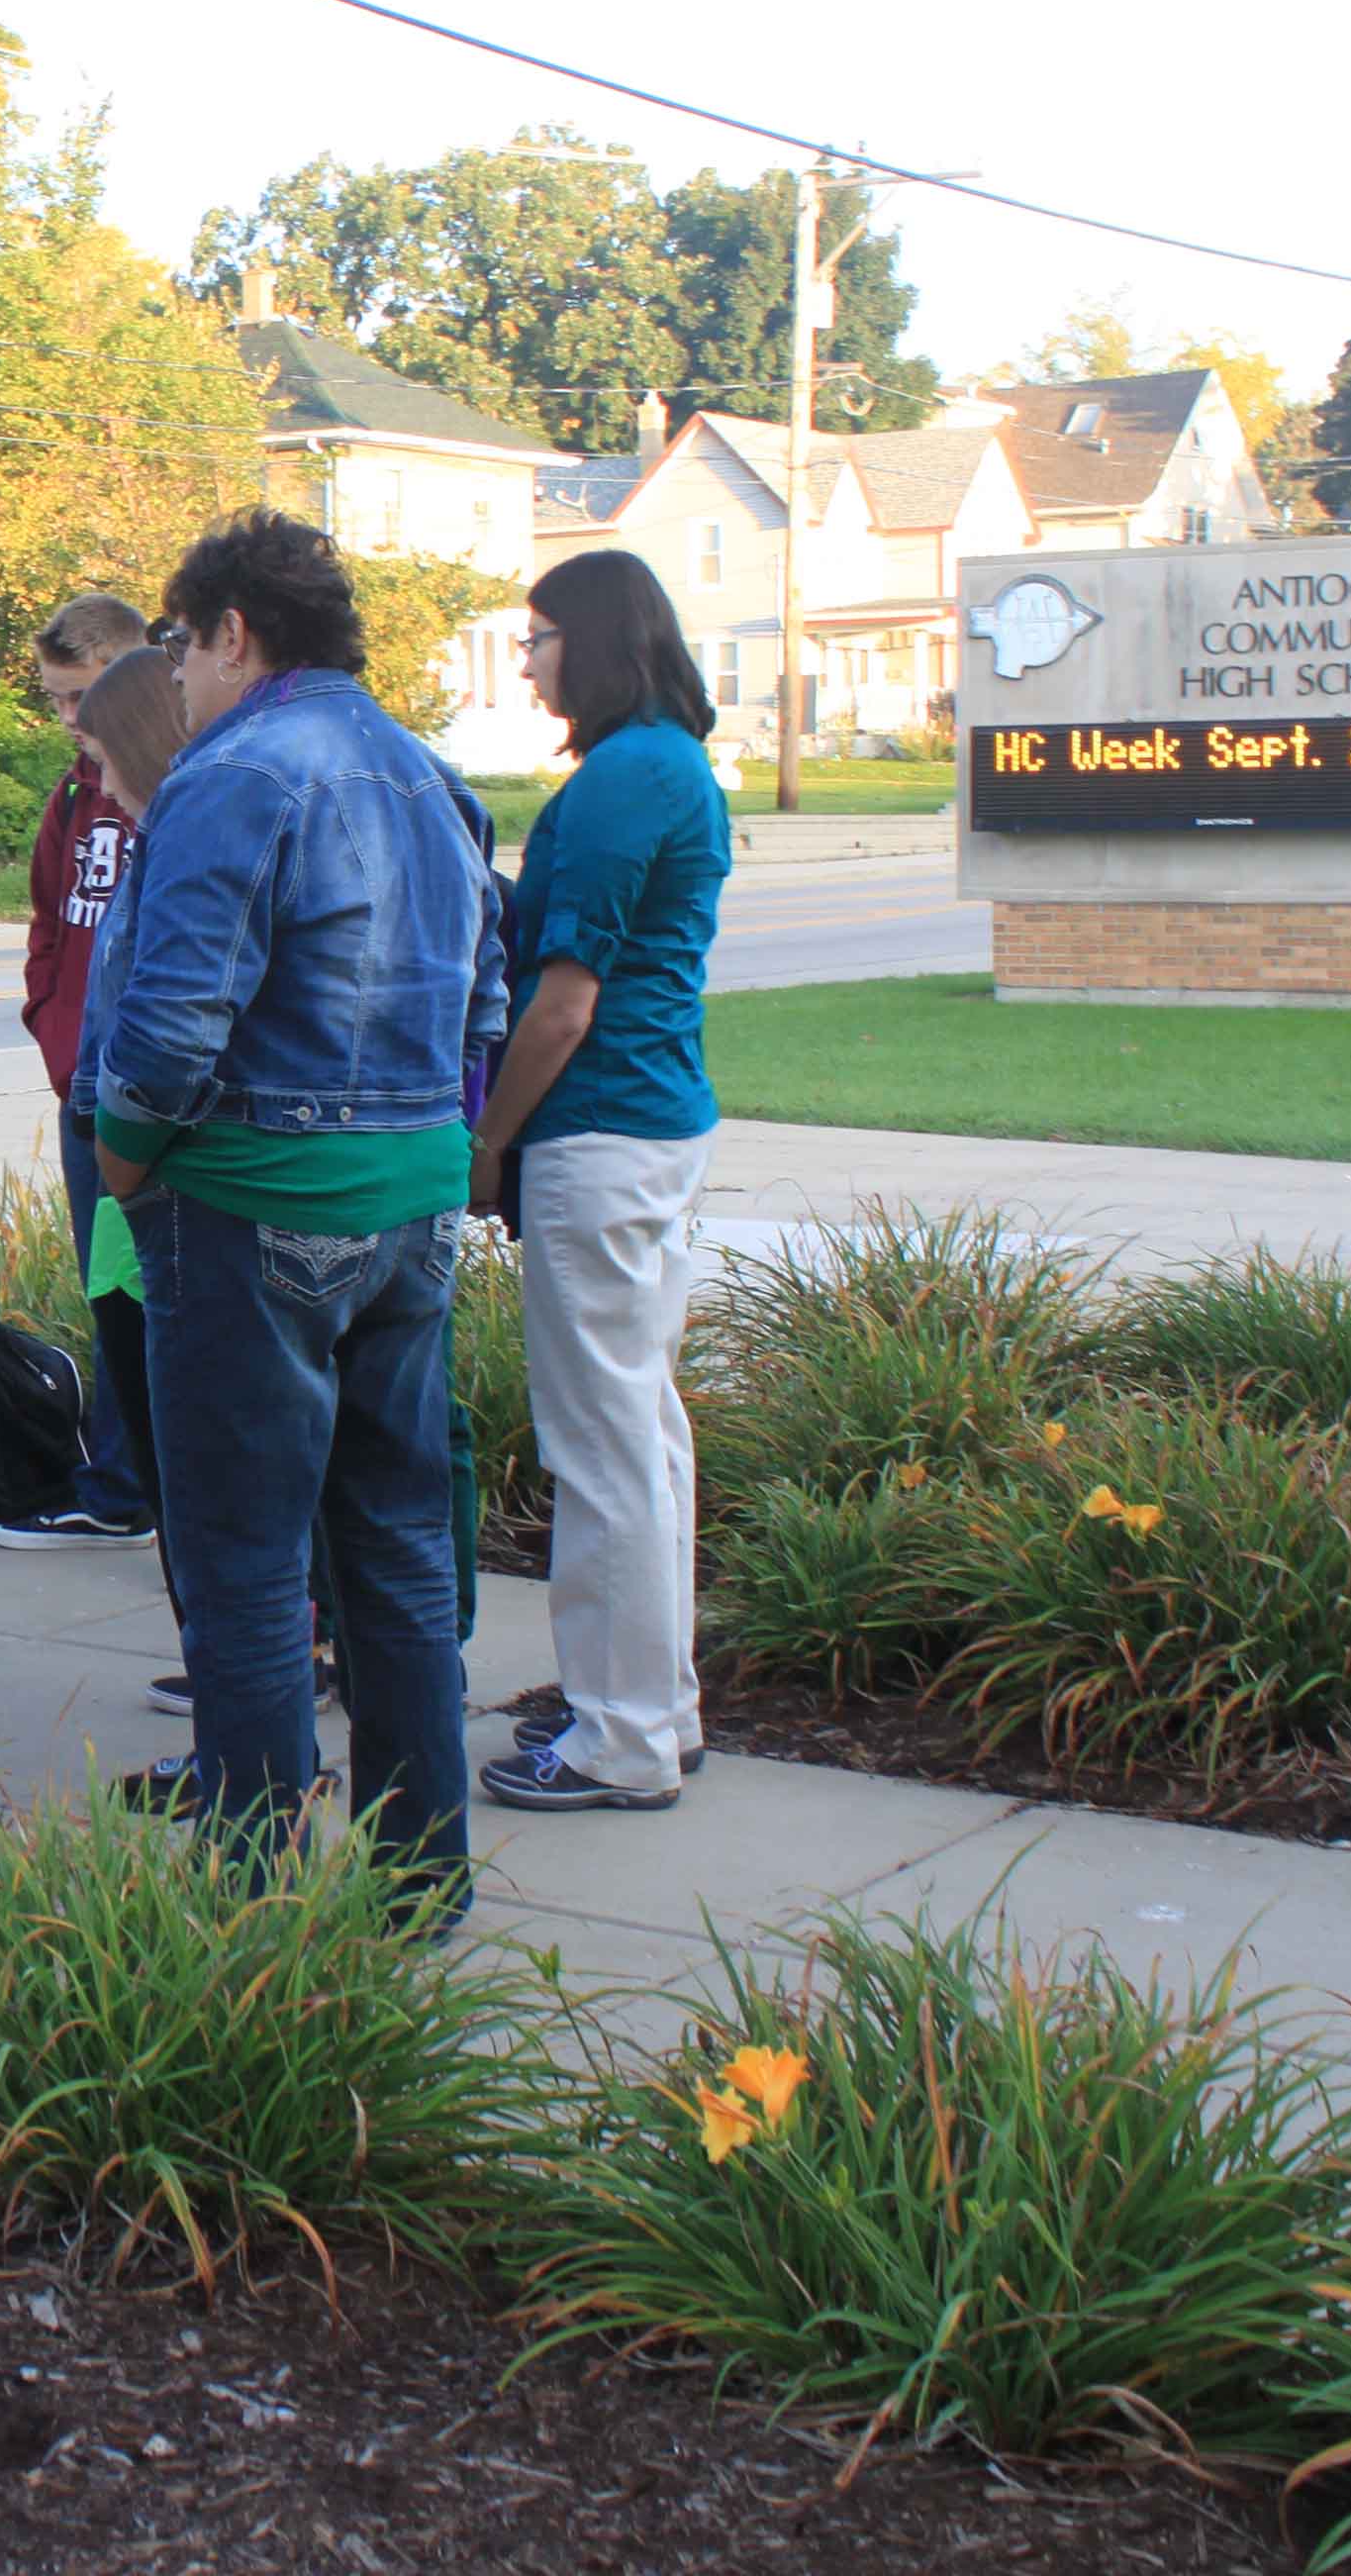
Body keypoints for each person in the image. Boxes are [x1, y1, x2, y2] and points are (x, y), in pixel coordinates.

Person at [88, 511, 501, 1887]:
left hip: (253, 1206)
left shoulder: (234, 772)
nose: (181, 679)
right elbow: (480, 1014)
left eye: (181, 647)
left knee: (247, 1568)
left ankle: (255, 1891)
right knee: (392, 1548)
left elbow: (171, 1023)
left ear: (233, 633)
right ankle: (418, 1878)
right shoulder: (434, 776)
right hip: (413, 1209)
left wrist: (125, 1160)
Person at [472, 547, 732, 1816]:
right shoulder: (666, 763)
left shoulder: (629, 775)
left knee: (604, 1448)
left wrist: (487, 1140)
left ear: (595, 637)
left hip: (598, 1132)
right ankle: (657, 1708)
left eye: (538, 636)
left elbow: (562, 1006)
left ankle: (617, 1736)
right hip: (651, 1127)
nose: (527, 660)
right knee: (645, 1436)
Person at [1, 592, 161, 1555]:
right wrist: (53, 1030)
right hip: (83, 1087)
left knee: (155, 1299)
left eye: (81, 697)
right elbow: (52, 923)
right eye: (57, 702)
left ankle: (145, 1487)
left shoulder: (172, 790)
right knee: (110, 1291)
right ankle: (119, 1484)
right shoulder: (71, 796)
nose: (70, 721)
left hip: (148, 1096)